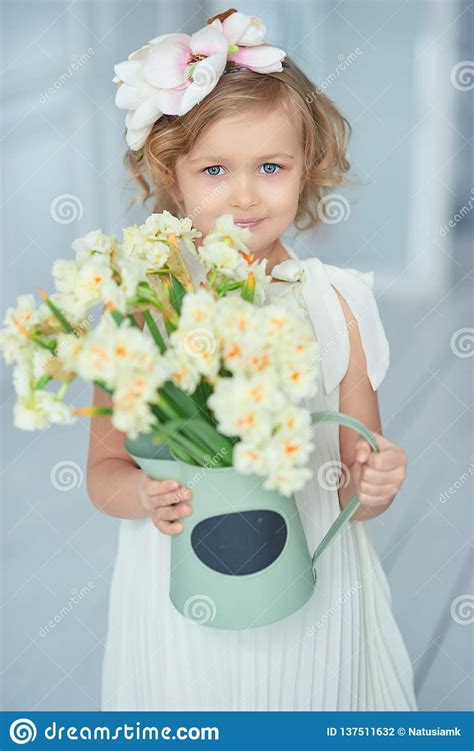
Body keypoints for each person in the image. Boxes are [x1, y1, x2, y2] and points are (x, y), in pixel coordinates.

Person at [87, 9, 417, 710]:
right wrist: (143, 495)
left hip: (314, 601)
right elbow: (104, 469)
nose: (244, 193)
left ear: (306, 171)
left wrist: (376, 481)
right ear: (172, 178)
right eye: (215, 169)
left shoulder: (339, 303)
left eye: (270, 166)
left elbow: (354, 486)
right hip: (182, 597)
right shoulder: (145, 308)